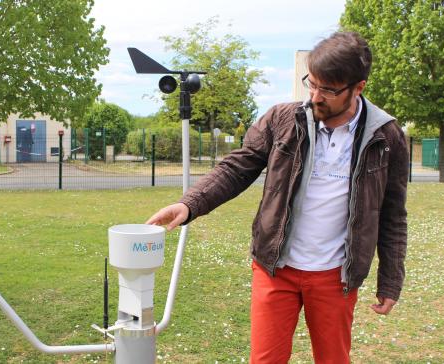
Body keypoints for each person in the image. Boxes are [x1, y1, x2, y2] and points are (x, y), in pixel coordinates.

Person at [146, 31, 408, 364]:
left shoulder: (387, 136)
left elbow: (393, 213)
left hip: (335, 275)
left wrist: (390, 280)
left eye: (327, 89)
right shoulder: (284, 119)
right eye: (311, 83)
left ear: (358, 87)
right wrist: (189, 203)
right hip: (275, 268)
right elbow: (237, 167)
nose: (315, 96)